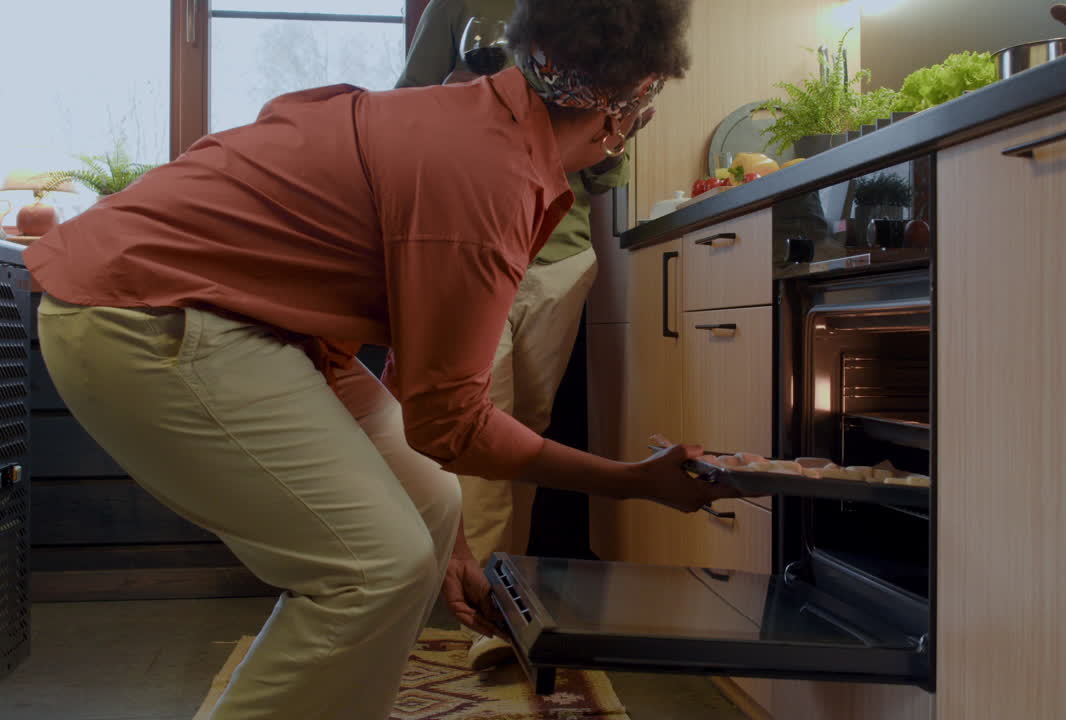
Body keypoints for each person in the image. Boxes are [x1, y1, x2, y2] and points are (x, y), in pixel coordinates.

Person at [25, 1, 726, 718]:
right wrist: (630, 482)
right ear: (621, 111)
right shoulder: (490, 176)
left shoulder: (475, 122)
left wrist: (453, 549)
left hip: (224, 312)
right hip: (145, 314)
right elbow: (453, 425)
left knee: (434, 500)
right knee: (371, 568)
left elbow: (421, 384)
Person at [397, 0, 641, 669]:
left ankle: (501, 592)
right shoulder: (460, 8)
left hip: (561, 257)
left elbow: (607, 162)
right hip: (474, 241)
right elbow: (412, 106)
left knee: (523, 434)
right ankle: (489, 613)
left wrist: (615, 121)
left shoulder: (603, 14)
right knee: (481, 429)